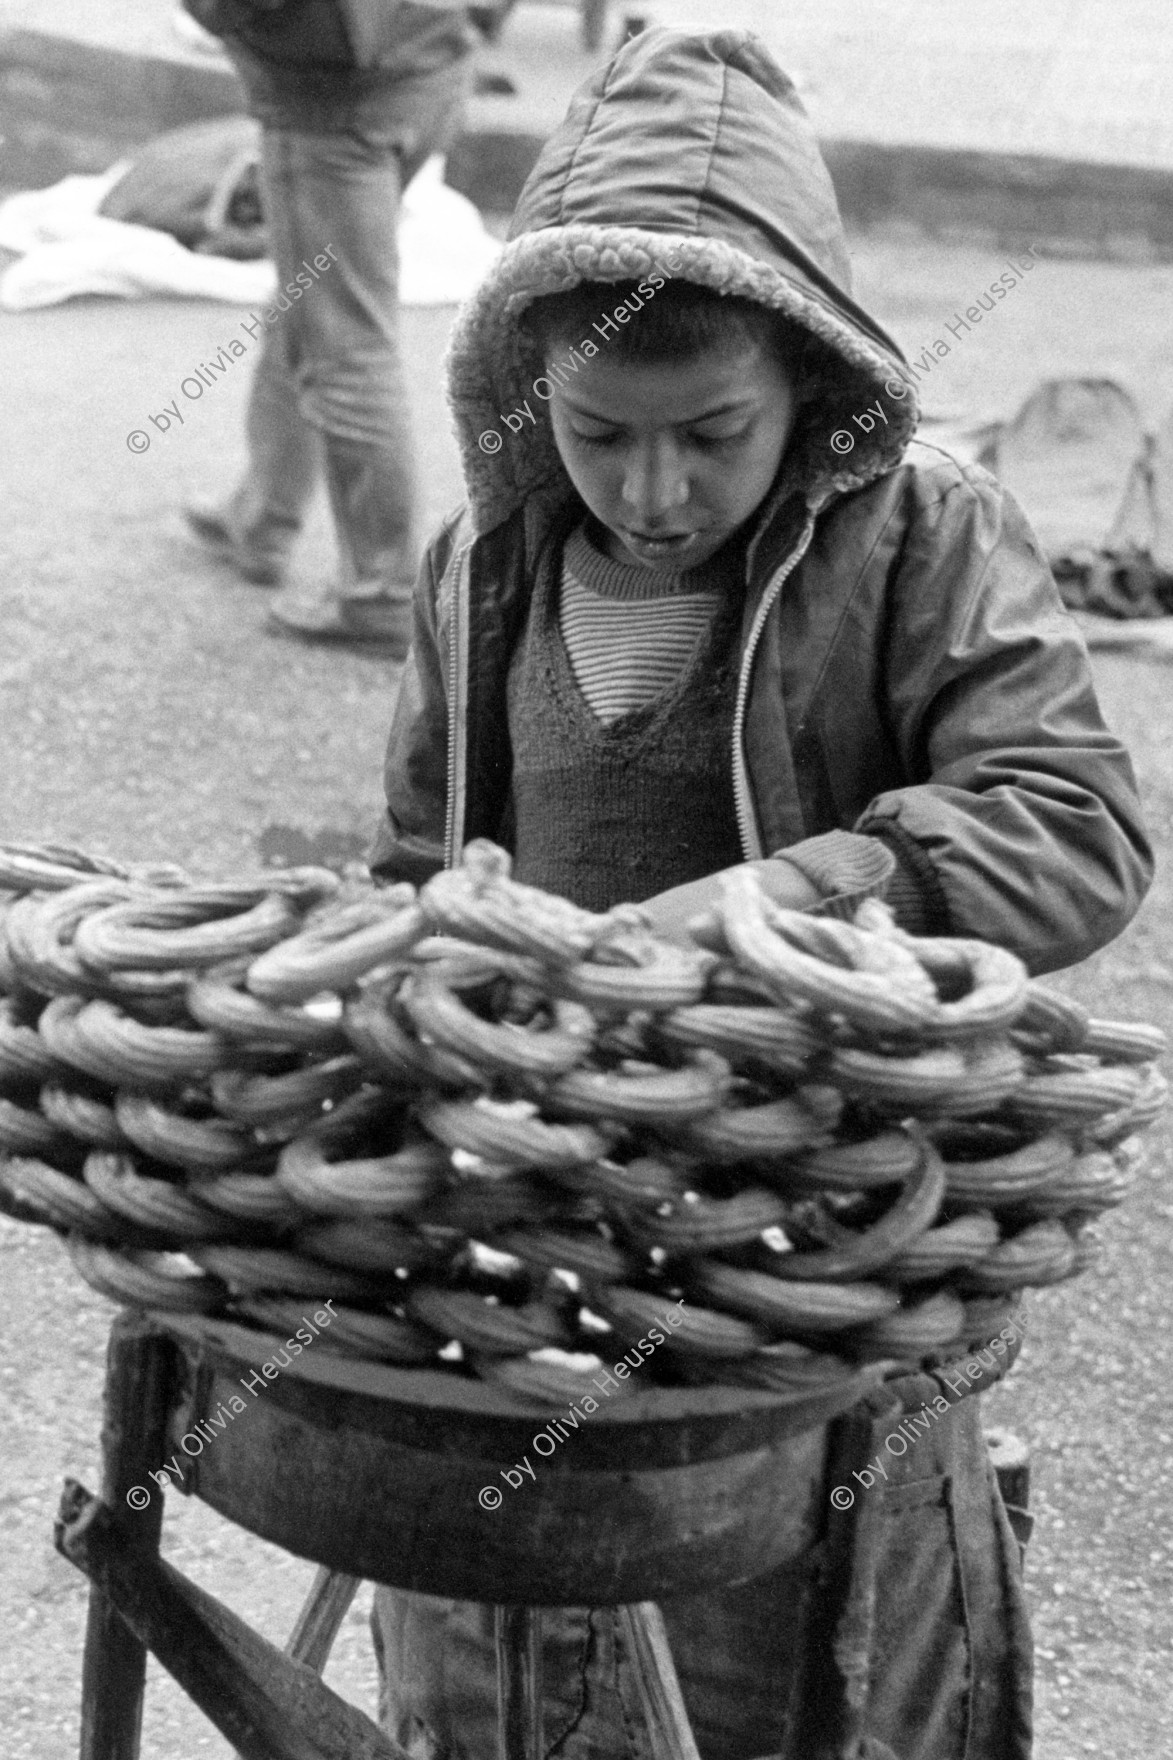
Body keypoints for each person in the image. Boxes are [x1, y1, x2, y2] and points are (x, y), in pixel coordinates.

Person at [368, 26, 1153, 1759]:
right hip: (537, 1254)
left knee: (803, 1689)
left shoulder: (923, 535)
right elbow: (419, 865)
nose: (651, 492)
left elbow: (1075, 823)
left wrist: (806, 888)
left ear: (807, 383)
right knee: (511, 1688)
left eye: (709, 434)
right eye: (599, 434)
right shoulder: (479, 565)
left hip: (820, 1249)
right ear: (532, 393)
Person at [181, 0, 475, 651]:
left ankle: (384, 592)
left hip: (335, 100)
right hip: (425, 59)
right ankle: (264, 514)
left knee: (345, 347)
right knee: (309, 306)